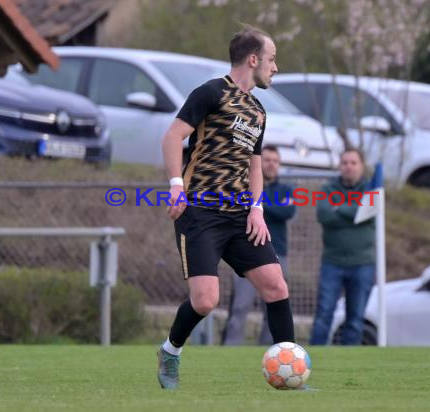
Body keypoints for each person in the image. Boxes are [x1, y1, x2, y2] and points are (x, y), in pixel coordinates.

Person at [158, 27, 295, 390]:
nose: (275, 67)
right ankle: (170, 351)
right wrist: (175, 187)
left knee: (276, 287)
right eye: (272, 59)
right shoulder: (210, 92)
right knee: (205, 301)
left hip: (240, 215)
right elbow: (173, 137)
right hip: (200, 211)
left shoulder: (258, 111)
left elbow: (254, 165)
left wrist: (256, 210)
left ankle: (290, 370)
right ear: (253, 59)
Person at [222, 145, 296, 346]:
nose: (271, 164)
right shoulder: (245, 186)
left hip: (279, 254)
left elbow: (287, 212)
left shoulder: (286, 189)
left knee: (275, 306)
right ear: (258, 162)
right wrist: (266, 205)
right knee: (239, 306)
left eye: (275, 160)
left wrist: (257, 206)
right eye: (267, 159)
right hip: (248, 254)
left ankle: (273, 351)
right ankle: (229, 349)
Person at [310, 148, 375, 346]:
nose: (349, 166)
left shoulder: (371, 189)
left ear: (361, 166)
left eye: (353, 162)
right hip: (332, 262)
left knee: (355, 319)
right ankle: (314, 357)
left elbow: (367, 213)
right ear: (340, 166)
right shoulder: (327, 189)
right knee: (324, 315)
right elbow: (323, 214)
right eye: (345, 162)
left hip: (362, 264)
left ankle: (350, 362)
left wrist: (339, 208)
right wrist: (354, 213)